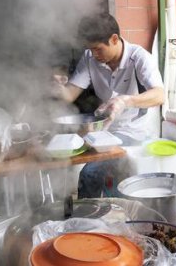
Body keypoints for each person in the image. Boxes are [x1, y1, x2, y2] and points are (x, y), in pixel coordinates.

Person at [54, 12, 164, 198]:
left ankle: (103, 217)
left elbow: (160, 95)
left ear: (114, 39)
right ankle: (89, 220)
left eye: (98, 49)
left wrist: (125, 100)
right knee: (83, 169)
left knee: (92, 173)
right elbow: (69, 95)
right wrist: (57, 86)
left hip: (133, 132)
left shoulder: (138, 58)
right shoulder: (90, 58)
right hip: (105, 132)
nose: (93, 54)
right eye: (90, 49)